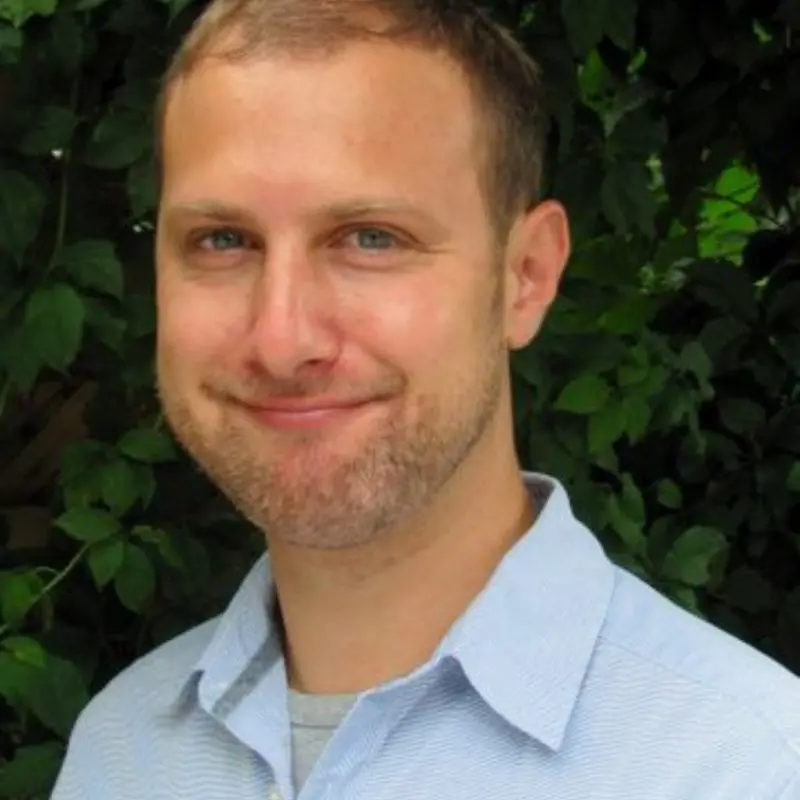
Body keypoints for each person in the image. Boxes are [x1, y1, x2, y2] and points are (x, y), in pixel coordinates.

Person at [51, 1, 800, 798]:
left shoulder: (747, 766)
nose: (281, 339)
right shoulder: (120, 751)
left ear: (526, 277)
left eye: (371, 238)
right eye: (222, 241)